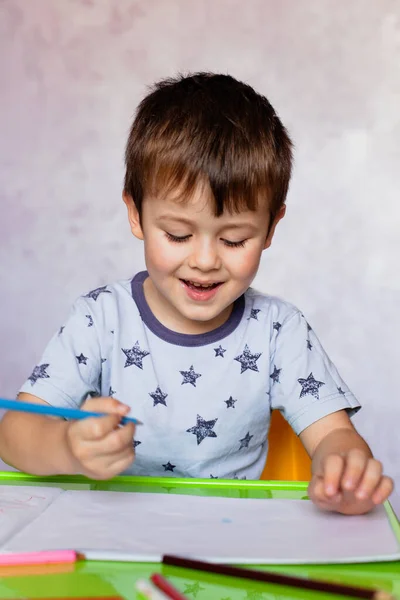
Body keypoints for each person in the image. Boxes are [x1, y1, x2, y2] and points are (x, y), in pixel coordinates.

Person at [0, 73, 393, 515]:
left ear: (270, 229)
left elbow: (333, 436)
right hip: (113, 544)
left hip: (234, 546)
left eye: (234, 240)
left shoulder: (278, 330)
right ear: (136, 214)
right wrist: (68, 448)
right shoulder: (100, 319)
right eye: (178, 233)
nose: (205, 261)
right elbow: (15, 433)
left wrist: (345, 468)